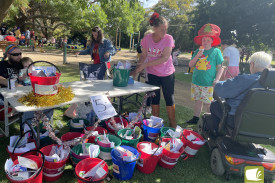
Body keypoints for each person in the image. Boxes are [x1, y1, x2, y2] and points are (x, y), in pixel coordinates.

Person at [131, 12, 176, 128]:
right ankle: (156, 125)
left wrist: (145, 65)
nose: (164, 32)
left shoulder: (168, 39)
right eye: (161, 30)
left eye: (165, 29)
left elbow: (165, 58)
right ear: (154, 28)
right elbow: (143, 56)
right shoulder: (146, 39)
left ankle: (172, 124)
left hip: (167, 73)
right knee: (154, 99)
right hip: (152, 74)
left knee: (169, 98)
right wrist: (136, 70)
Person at [209, 51, 272, 134]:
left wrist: (217, 84)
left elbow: (221, 91)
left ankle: (215, 133)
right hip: (266, 125)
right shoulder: (271, 85)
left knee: (214, 105)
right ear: (268, 66)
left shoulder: (245, 79)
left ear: (252, 64)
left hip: (236, 121)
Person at [186, 23, 224, 124]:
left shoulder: (216, 51)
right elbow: (191, 64)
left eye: (208, 40)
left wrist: (217, 79)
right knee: (198, 101)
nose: (205, 42)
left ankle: (209, 121)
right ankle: (195, 119)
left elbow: (220, 68)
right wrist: (198, 54)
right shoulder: (198, 50)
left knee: (209, 103)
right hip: (197, 81)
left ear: (212, 41)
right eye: (203, 40)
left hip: (209, 83)